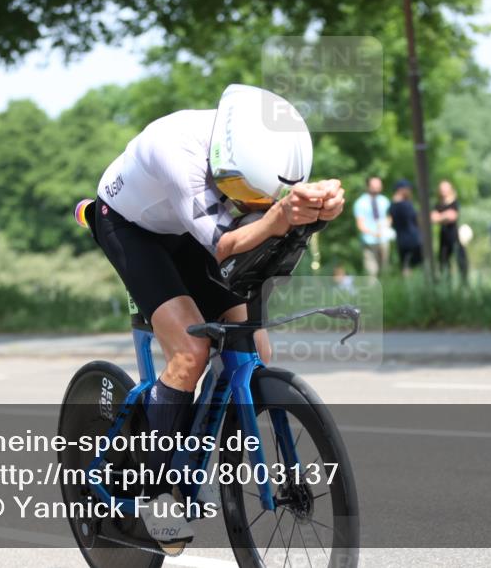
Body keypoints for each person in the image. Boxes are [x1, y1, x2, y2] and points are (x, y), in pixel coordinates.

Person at [92, 84, 345, 545]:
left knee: (254, 347)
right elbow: (226, 244)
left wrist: (319, 203)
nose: (252, 202)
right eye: (244, 191)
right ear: (223, 162)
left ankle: (204, 447)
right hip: (130, 226)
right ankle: (155, 489)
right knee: (190, 352)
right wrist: (281, 217)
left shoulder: (254, 148)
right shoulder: (177, 151)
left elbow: (269, 210)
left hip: (187, 226)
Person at [352, 176, 393, 276]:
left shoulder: (385, 201)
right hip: (369, 241)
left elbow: (390, 217)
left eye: (378, 185)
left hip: (384, 239)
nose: (376, 188)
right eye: (374, 185)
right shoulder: (360, 203)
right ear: (368, 186)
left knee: (385, 270)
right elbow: (360, 224)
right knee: (371, 272)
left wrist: (385, 226)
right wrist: (374, 233)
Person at [431, 180, 468, 283]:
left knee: (461, 260)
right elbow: (433, 218)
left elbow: (452, 216)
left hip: (455, 235)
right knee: (443, 261)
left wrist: (440, 216)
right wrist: (445, 216)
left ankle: (464, 283)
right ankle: (446, 283)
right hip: (443, 236)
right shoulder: (438, 204)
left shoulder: (454, 202)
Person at [388, 179, 422, 273]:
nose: (410, 191)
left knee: (405, 267)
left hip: (401, 240)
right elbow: (416, 220)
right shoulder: (405, 205)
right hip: (413, 240)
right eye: (408, 188)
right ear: (401, 190)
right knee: (417, 268)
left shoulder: (392, 205)